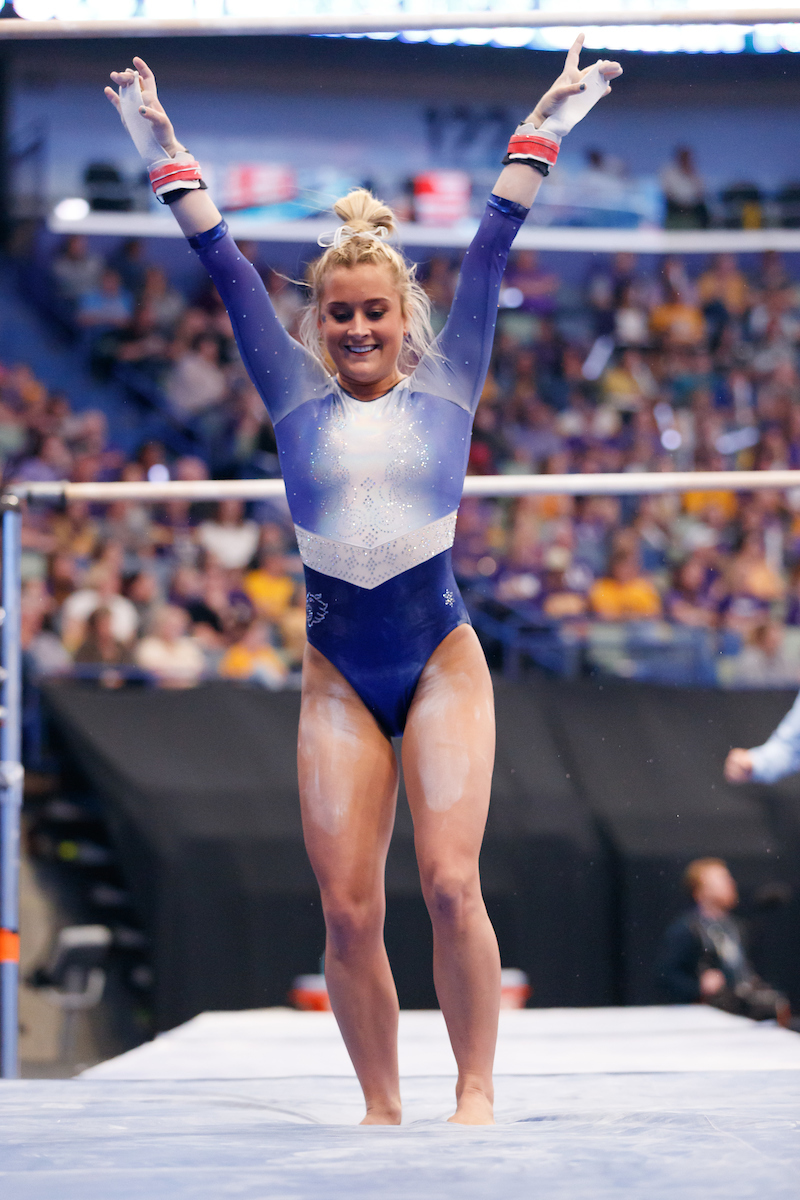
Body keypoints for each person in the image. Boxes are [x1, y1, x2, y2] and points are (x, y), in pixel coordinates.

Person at [106, 38, 622, 1126]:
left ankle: (474, 1088)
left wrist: (546, 126)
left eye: (371, 313)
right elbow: (227, 268)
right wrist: (161, 146)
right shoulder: (292, 398)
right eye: (336, 313)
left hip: (438, 661)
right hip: (339, 670)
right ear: (315, 323)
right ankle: (380, 1108)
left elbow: (490, 245)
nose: (352, 328)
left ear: (403, 319)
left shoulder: (451, 384)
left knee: (446, 884)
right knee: (345, 913)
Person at [656, 858, 790, 1025]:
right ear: (700, 891)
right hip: (711, 1015)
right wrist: (698, 987)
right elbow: (667, 974)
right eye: (722, 880)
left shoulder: (736, 926)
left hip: (741, 1008)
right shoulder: (687, 929)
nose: (730, 884)